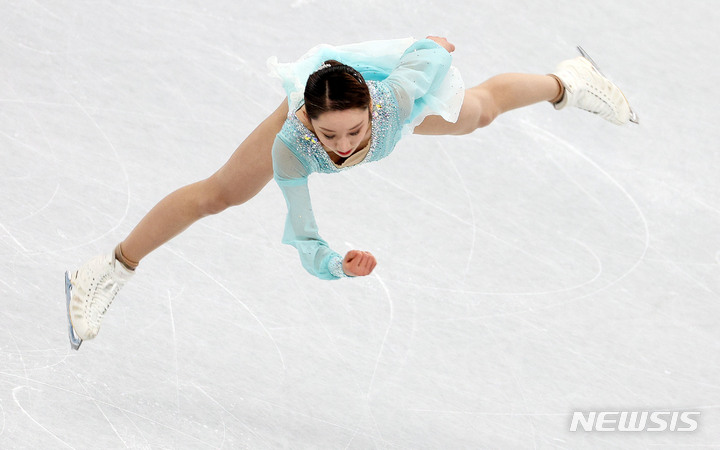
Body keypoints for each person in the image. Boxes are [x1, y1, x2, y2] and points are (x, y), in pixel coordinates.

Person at [64, 36, 636, 349]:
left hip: (384, 87)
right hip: (318, 98)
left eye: (353, 132)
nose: (341, 147)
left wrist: (433, 46)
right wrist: (339, 264)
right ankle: (107, 269)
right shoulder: (293, 146)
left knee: (478, 112)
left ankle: (571, 82)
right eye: (329, 134)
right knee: (221, 195)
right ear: (308, 122)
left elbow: (431, 55)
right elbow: (305, 236)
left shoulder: (397, 103)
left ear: (372, 111)